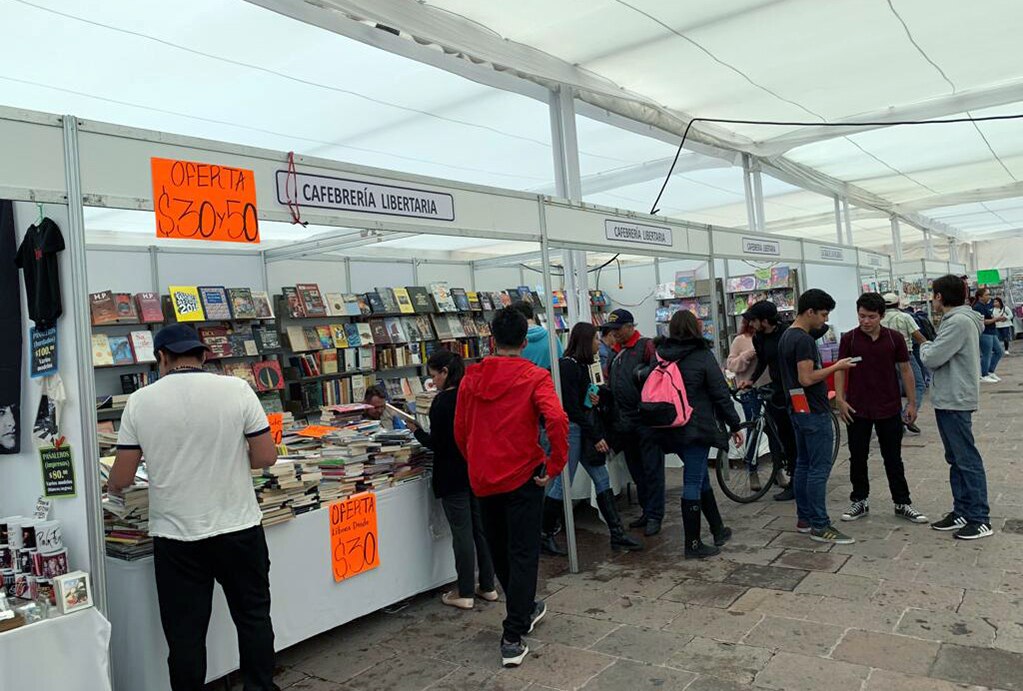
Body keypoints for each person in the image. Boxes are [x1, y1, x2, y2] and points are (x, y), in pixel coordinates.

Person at [108, 324, 279, 691]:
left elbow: (122, 476)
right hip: (239, 527)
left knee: (185, 635)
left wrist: (113, 486)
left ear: (162, 358)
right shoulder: (236, 389)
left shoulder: (140, 401)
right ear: (203, 356)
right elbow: (266, 456)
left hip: (176, 535)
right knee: (253, 618)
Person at [454, 306, 569, 667]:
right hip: (523, 474)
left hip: (484, 476)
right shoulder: (535, 377)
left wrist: (475, 459)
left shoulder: (471, 378)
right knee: (522, 552)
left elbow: (460, 428)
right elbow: (557, 419)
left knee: (501, 548)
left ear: (491, 339)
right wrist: (554, 465)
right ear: (524, 340)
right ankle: (513, 632)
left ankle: (523, 610)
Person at [541, 323, 642, 555]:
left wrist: (599, 396)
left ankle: (617, 533)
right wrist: (596, 435)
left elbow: (585, 397)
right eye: (596, 339)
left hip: (583, 430)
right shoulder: (568, 367)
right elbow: (572, 408)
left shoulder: (580, 366)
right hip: (576, 431)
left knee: (600, 477)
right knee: (563, 482)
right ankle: (545, 534)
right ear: (586, 342)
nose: (600, 343)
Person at [649, 311, 743, 559]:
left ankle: (718, 529)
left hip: (668, 426)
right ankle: (692, 544)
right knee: (692, 480)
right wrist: (735, 424)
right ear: (695, 328)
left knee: (700, 476)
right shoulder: (702, 356)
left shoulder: (661, 356)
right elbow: (720, 393)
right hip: (696, 427)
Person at [408, 351, 497, 610]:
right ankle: (489, 586)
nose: (433, 381)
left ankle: (466, 591)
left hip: (451, 474)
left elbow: (438, 443)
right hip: (475, 470)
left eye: (434, 375)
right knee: (480, 530)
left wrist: (417, 432)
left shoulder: (443, 402)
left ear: (445, 372)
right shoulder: (471, 396)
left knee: (462, 534)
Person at [835, 293, 928, 525]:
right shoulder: (850, 339)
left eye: (871, 317)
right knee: (857, 456)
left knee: (893, 457)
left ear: (882, 316)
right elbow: (839, 369)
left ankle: (902, 502)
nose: (865, 321)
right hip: (857, 407)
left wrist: (913, 403)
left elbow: (906, 370)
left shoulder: (894, 338)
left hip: (889, 406)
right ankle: (859, 499)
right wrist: (839, 398)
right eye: (862, 316)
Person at [778, 289, 858, 545]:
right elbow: (807, 377)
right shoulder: (803, 341)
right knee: (818, 469)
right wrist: (837, 366)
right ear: (810, 311)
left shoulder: (787, 336)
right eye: (823, 314)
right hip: (813, 410)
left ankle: (805, 519)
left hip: (798, 408)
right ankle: (820, 525)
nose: (825, 320)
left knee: (803, 465)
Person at [920, 275, 993, 540]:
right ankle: (962, 510)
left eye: (933, 294)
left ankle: (979, 518)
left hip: (955, 398)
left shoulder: (958, 322)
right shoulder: (961, 320)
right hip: (950, 397)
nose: (931, 299)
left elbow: (932, 358)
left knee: (966, 459)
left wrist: (925, 344)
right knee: (956, 458)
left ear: (940, 296)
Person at [605, 309, 665, 536]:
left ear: (630, 326)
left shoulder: (646, 346)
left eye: (618, 329)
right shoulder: (615, 352)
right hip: (624, 421)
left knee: (652, 469)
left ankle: (655, 515)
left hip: (646, 419)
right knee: (636, 470)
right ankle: (647, 511)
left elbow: (660, 374)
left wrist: (644, 375)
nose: (615, 334)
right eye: (612, 330)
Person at [742, 301, 798, 502]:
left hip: (793, 387)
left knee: (793, 433)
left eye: (754, 320)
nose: (751, 324)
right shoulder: (758, 337)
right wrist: (751, 380)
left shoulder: (787, 333)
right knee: (780, 433)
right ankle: (783, 470)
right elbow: (763, 361)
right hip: (776, 386)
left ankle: (796, 479)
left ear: (765, 321)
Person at [881, 293, 928, 434]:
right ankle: (907, 413)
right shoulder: (905, 317)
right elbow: (919, 337)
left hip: (885, 358)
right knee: (918, 385)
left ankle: (898, 419)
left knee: (892, 389)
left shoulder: (879, 319)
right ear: (898, 303)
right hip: (905, 356)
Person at [511, 300, 563, 370]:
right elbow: (561, 361)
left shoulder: (512, 341)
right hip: (548, 379)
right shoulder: (552, 337)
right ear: (534, 315)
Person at [726, 318, 760, 422]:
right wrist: (747, 355)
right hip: (749, 389)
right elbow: (731, 365)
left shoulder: (765, 337)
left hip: (767, 387)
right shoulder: (740, 340)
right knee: (753, 427)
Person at [973, 287, 1005, 383]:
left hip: (991, 331)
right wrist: (996, 319)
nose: (989, 296)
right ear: (980, 297)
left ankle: (990, 371)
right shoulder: (978, 307)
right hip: (985, 333)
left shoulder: (985, 305)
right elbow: (983, 322)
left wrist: (996, 319)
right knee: (986, 354)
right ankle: (984, 374)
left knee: (999, 351)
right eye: (986, 295)